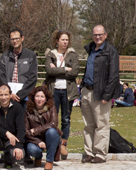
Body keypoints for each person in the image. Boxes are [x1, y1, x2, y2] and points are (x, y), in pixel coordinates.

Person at [81, 25, 121, 163]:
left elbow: (114, 75)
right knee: (88, 125)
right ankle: (89, 152)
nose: (97, 37)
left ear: (105, 35)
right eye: (95, 35)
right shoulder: (91, 49)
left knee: (102, 124)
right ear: (92, 36)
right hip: (87, 91)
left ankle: (100, 154)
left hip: (101, 93)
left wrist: (107, 95)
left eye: (100, 34)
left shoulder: (111, 51)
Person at [44, 30, 80, 159]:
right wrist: (65, 69)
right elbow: (49, 70)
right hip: (54, 91)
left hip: (67, 91)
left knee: (66, 118)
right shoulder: (51, 55)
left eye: (66, 40)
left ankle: (63, 143)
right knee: (52, 118)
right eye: (62, 39)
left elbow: (75, 72)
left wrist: (56, 70)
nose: (65, 42)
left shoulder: (72, 55)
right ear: (57, 41)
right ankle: (52, 143)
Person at [0, 84, 25, 170]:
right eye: (1, 95)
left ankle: (8, 159)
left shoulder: (18, 108)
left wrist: (18, 146)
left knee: (19, 156)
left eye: (6, 94)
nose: (3, 97)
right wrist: (6, 133)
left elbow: (21, 128)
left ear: (10, 95)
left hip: (11, 141)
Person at [0, 28, 38, 108]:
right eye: (12, 39)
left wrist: (20, 95)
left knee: (24, 120)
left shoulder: (30, 55)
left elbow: (33, 77)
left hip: (25, 97)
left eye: (17, 38)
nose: (14, 41)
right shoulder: (5, 56)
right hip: (9, 97)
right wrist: (9, 94)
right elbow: (2, 76)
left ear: (22, 38)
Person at [25, 86, 62, 170]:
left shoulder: (51, 107)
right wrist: (38, 142)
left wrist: (36, 130)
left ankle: (49, 161)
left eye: (42, 97)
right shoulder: (27, 110)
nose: (39, 99)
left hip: (50, 137)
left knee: (52, 131)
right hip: (35, 139)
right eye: (37, 96)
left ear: (46, 99)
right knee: (31, 150)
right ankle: (38, 157)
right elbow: (26, 131)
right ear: (33, 97)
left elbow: (53, 124)